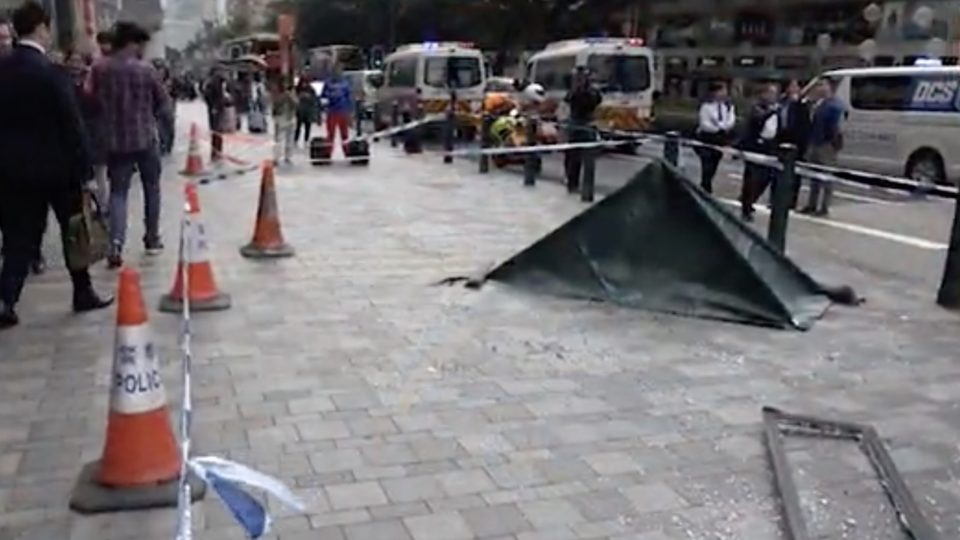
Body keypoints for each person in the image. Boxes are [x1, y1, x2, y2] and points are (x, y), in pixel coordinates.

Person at [0, 1, 113, 328]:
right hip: (58, 170)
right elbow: (71, 123)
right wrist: (86, 170)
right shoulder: (51, 72)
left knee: (19, 239)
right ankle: (82, 291)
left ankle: (6, 298)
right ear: (41, 27)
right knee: (73, 230)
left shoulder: (3, 71)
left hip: (14, 171)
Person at [91, 21, 172, 268]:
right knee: (152, 188)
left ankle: (115, 243)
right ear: (132, 43)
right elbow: (163, 103)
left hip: (115, 140)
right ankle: (151, 237)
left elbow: (89, 98)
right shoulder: (146, 70)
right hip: (145, 138)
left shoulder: (100, 69)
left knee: (118, 192)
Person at [802, 78, 844, 217]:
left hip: (826, 144)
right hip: (815, 142)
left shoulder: (835, 105)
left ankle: (824, 207)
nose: (819, 88)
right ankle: (812, 204)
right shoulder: (818, 103)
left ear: (830, 87)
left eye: (822, 85)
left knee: (826, 176)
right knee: (814, 176)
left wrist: (832, 142)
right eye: (818, 85)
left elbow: (836, 127)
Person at [738, 83, 781, 222]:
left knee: (767, 177)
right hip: (755, 146)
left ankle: (750, 200)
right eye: (771, 93)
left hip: (769, 147)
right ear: (763, 94)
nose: (773, 96)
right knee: (752, 178)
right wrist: (772, 112)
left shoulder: (775, 109)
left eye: (775, 93)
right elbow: (758, 119)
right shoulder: (756, 107)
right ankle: (746, 205)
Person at [563, 67, 602, 193]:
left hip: (582, 124)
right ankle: (573, 182)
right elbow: (569, 99)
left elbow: (594, 101)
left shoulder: (589, 92)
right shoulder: (578, 91)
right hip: (580, 124)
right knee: (574, 156)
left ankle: (579, 184)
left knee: (580, 156)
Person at [696, 82, 736, 193]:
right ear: (715, 92)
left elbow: (730, 121)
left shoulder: (727, 106)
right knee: (707, 164)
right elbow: (704, 124)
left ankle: (706, 184)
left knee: (714, 163)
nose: (724, 93)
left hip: (720, 139)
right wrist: (718, 128)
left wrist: (722, 126)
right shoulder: (706, 107)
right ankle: (705, 186)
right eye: (722, 91)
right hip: (707, 138)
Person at [777, 79, 812, 209]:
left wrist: (803, 146)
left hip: (796, 143)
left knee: (794, 175)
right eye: (792, 86)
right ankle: (777, 199)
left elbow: (805, 126)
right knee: (779, 173)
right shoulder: (781, 103)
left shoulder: (801, 105)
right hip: (782, 140)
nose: (795, 89)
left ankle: (791, 201)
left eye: (796, 86)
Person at [321, 63, 353, 148]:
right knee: (330, 134)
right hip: (332, 111)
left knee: (345, 134)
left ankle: (347, 151)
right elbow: (323, 97)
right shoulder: (328, 83)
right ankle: (328, 152)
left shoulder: (345, 84)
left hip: (343, 111)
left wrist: (350, 112)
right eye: (335, 70)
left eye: (339, 70)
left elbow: (349, 98)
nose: (337, 72)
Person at [272, 78, 296, 165]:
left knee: (285, 139)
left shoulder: (287, 94)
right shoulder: (280, 94)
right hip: (284, 117)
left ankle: (284, 157)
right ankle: (280, 157)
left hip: (286, 117)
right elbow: (276, 105)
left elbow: (296, 104)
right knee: (281, 139)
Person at [294, 77, 318, 144]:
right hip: (300, 111)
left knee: (308, 126)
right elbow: (294, 99)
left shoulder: (311, 90)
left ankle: (306, 140)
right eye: (303, 82)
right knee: (298, 126)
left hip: (308, 111)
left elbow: (314, 100)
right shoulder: (297, 89)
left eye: (305, 82)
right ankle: (296, 139)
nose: (304, 84)